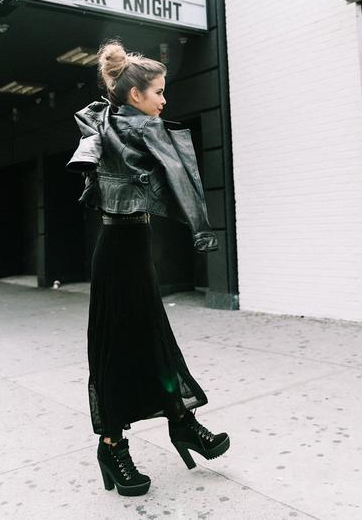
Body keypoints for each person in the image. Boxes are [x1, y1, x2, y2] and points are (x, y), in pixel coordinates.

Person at [66, 40, 230, 497]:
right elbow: (102, 151)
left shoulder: (143, 128)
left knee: (153, 340)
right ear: (135, 94)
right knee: (114, 348)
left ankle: (182, 422)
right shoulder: (109, 128)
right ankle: (112, 445)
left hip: (136, 245)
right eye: (157, 91)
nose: (164, 99)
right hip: (116, 246)